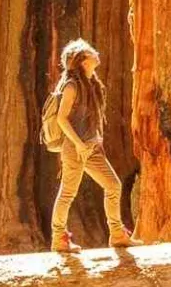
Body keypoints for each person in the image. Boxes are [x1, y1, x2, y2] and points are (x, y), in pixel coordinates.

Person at [41, 39, 142, 251]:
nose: (95, 53)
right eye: (90, 52)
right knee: (68, 192)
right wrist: (78, 144)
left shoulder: (92, 84)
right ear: (81, 60)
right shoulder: (71, 86)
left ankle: (116, 234)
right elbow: (61, 119)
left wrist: (95, 141)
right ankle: (59, 238)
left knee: (113, 185)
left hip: (91, 148)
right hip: (75, 148)